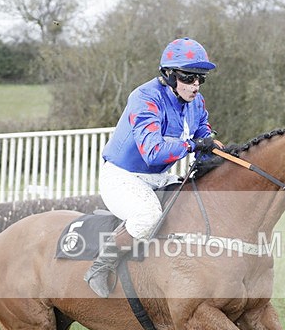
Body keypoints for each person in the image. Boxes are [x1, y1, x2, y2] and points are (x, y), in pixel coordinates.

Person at [84, 37, 221, 297]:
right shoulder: (145, 97)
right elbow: (153, 152)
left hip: (156, 177)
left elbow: (205, 133)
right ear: (169, 74)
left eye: (200, 79)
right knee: (148, 216)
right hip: (122, 176)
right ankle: (99, 267)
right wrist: (193, 145)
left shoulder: (196, 102)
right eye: (189, 77)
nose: (195, 85)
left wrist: (215, 153)